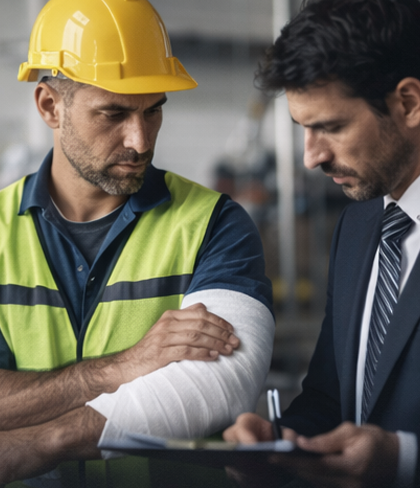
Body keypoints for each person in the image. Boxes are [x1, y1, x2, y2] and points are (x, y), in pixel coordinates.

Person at [0, 0, 274, 485]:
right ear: (49, 106)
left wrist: (45, 438)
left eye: (153, 111)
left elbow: (220, 384)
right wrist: (116, 369)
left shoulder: (214, 224)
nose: (141, 140)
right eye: (114, 113)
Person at [223, 0, 420, 487]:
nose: (311, 157)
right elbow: (332, 401)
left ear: (409, 103)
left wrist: (404, 459)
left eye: (331, 127)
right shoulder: (357, 230)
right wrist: (278, 438)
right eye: (303, 129)